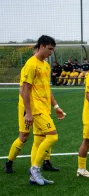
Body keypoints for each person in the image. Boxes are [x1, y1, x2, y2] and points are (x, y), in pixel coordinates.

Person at [10, 36, 66, 185]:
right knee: (53, 137)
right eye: (50, 49)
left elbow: (48, 90)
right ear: (41, 46)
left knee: (40, 140)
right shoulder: (31, 64)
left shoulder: (46, 66)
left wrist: (56, 106)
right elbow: (24, 90)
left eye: (53, 49)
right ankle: (35, 169)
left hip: (45, 107)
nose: (51, 52)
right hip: (36, 109)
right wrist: (28, 112)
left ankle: (34, 174)